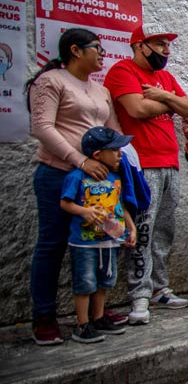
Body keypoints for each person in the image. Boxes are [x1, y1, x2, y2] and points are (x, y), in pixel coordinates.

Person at [27, 28, 128, 345]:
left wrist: (119, 164)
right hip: (59, 173)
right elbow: (42, 127)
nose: (102, 53)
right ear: (75, 50)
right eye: (96, 48)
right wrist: (80, 161)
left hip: (97, 181)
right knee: (52, 244)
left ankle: (96, 315)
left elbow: (112, 130)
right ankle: (44, 317)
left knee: (100, 245)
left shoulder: (99, 90)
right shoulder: (50, 81)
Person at [104, 23, 188, 325]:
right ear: (139, 46)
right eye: (159, 44)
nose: (166, 51)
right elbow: (136, 109)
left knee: (164, 230)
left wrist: (161, 94)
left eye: (168, 45)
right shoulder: (122, 72)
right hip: (142, 164)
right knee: (142, 231)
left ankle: (160, 287)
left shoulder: (164, 78)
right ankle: (139, 296)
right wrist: (169, 99)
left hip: (170, 161)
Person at [60, 127, 137, 343]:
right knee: (84, 283)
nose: (120, 155)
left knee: (105, 282)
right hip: (84, 242)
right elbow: (64, 203)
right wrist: (85, 211)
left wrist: (131, 228)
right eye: (115, 151)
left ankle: (99, 317)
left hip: (110, 241)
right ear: (97, 155)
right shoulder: (77, 176)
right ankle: (82, 325)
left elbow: (120, 205)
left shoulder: (115, 178)